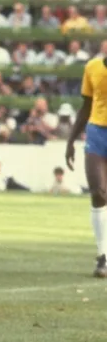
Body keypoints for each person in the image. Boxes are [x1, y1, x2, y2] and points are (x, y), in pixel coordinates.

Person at [66, 50, 107, 277]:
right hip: (97, 133)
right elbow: (86, 106)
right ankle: (103, 256)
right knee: (99, 193)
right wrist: (71, 140)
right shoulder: (92, 67)